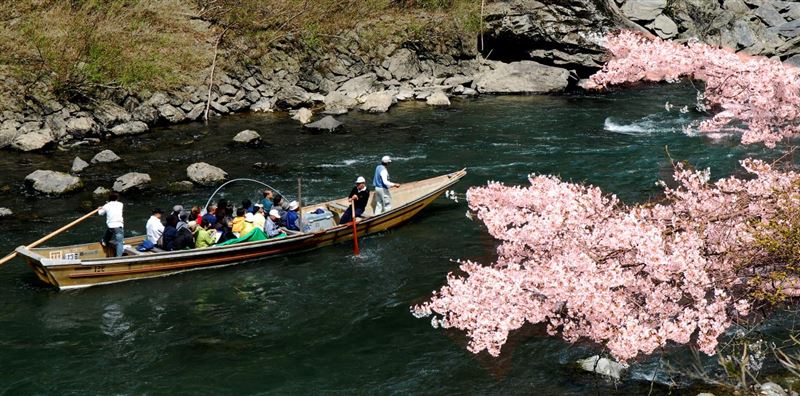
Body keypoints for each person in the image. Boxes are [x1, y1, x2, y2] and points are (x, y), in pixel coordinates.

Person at [98, 192, 125, 257]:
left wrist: (99, 209)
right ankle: (119, 258)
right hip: (118, 226)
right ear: (117, 198)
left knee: (110, 230)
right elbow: (113, 205)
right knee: (120, 243)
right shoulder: (121, 204)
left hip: (111, 226)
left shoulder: (106, 206)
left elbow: (100, 213)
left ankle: (104, 241)